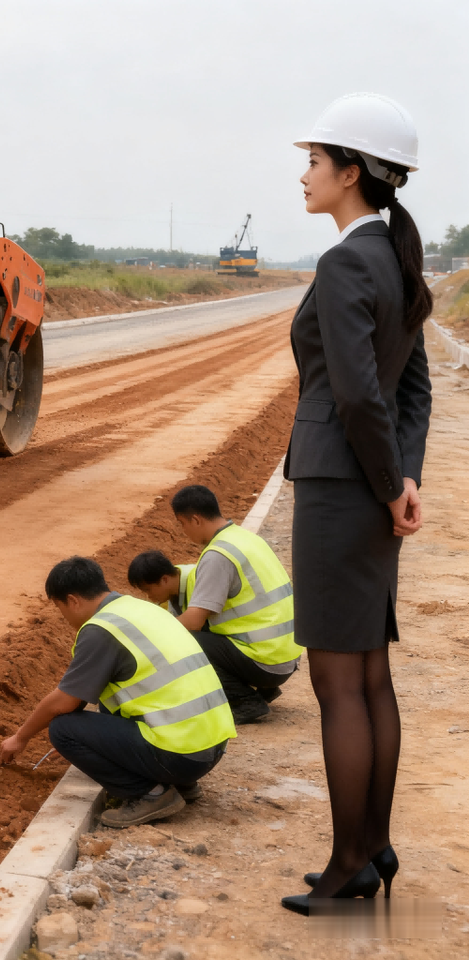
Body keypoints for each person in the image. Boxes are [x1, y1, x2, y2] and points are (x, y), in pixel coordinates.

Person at [280, 94, 432, 914]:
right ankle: (372, 848)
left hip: (342, 489)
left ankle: (348, 864)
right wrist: (403, 480)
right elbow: (413, 390)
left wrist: (383, 484)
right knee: (371, 675)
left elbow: (358, 395)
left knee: (339, 684)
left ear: (350, 172)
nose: (303, 175)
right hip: (371, 489)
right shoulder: (395, 258)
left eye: (314, 161)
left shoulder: (346, 263)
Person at [0, 556, 235, 827]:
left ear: (73, 601)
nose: (63, 617)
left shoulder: (102, 629)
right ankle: (182, 784)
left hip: (182, 755)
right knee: (109, 706)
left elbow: (64, 702)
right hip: (212, 746)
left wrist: (20, 738)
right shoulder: (141, 609)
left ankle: (151, 795)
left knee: (63, 729)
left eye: (60, 607)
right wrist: (96, 743)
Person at [155, 485, 302, 724]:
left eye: (182, 524)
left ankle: (244, 701)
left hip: (266, 662)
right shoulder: (245, 538)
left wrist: (154, 634)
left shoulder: (217, 555)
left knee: (185, 639)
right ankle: (263, 690)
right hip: (287, 656)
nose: (183, 532)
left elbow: (193, 621)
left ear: (195, 520)